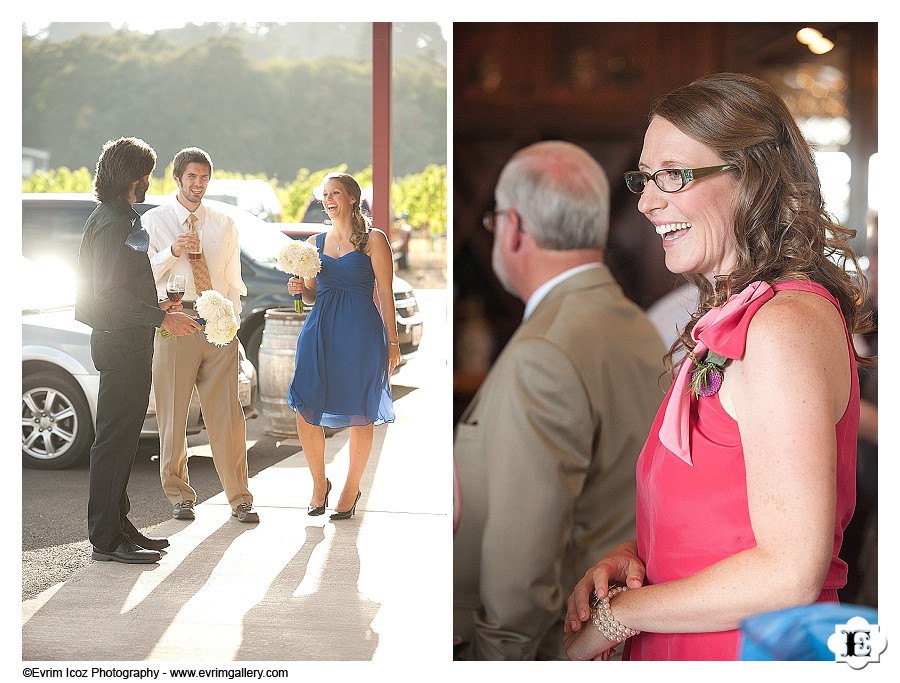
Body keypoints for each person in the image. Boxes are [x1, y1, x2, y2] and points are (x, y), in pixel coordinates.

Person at [563, 72, 873, 661]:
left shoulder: (783, 327)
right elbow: (726, 517)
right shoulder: (740, 318)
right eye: (645, 178)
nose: (649, 201)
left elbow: (789, 573)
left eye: (674, 176)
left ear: (751, 180)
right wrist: (638, 558)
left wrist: (617, 616)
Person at [453, 140, 668, 660]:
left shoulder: (542, 353)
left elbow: (520, 570)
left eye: (495, 220)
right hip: (620, 629)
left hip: (553, 645)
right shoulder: (639, 326)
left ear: (515, 227)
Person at [75, 136, 201, 564]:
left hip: (126, 339)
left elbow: (121, 287)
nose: (148, 180)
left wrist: (156, 306)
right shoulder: (112, 221)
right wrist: (161, 318)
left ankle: (117, 524)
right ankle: (106, 539)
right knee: (114, 441)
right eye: (146, 172)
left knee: (124, 439)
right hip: (120, 344)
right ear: (132, 176)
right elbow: (108, 293)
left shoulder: (115, 216)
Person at [143, 147, 259, 524]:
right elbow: (145, 278)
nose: (198, 184)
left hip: (218, 326)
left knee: (228, 416)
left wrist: (231, 321)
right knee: (174, 416)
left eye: (204, 177)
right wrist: (172, 250)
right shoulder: (154, 223)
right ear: (177, 178)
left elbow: (234, 281)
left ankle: (239, 498)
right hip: (175, 321)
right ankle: (179, 496)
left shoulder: (223, 222)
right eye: (191, 176)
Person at [286, 172, 399, 521]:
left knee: (360, 411)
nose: (329, 199)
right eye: (324, 194)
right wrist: (298, 291)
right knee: (304, 406)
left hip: (361, 334)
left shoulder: (373, 240)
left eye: (335, 193)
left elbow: (386, 293)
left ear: (352, 197)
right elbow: (312, 294)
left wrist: (392, 342)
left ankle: (350, 489)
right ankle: (320, 483)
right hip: (318, 330)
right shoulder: (314, 244)